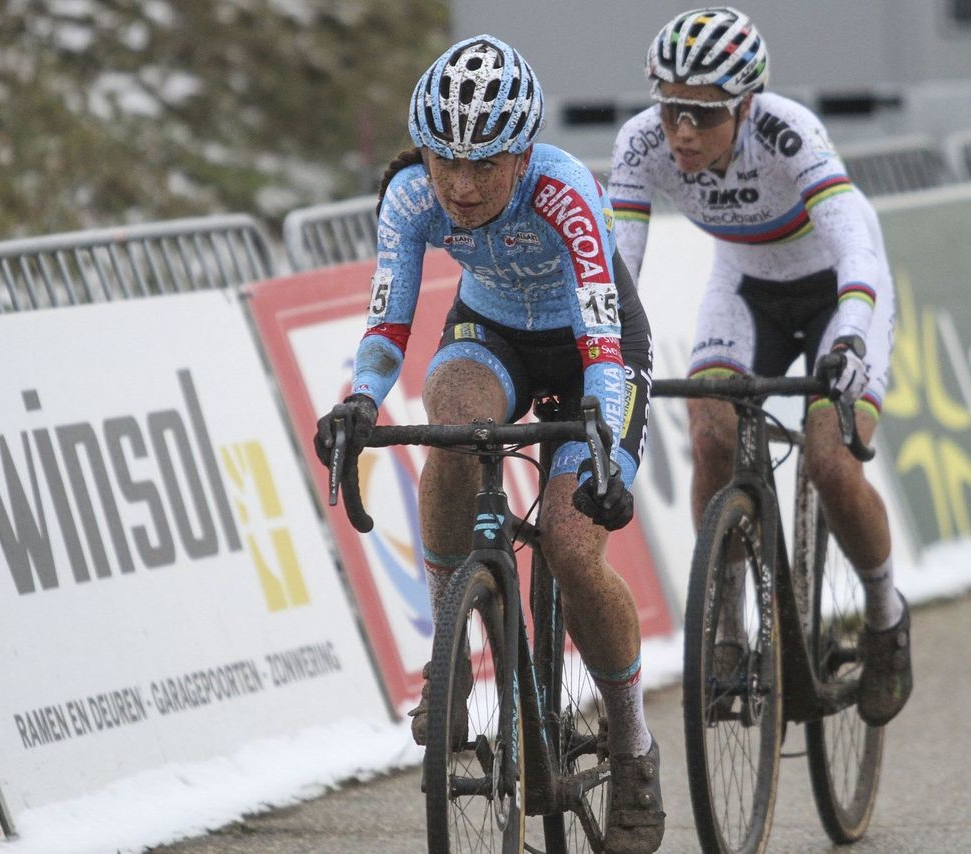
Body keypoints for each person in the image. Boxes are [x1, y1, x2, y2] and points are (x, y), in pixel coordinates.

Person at [313, 35, 664, 852]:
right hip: (492, 331)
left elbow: (606, 349)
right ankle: (452, 655)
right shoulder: (409, 195)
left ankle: (633, 744)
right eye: (446, 165)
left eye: (485, 167)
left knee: (577, 556)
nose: (462, 188)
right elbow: (387, 322)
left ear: (523, 155)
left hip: (591, 349)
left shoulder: (566, 190)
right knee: (450, 426)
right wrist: (360, 400)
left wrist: (604, 449)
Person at [608, 7, 911, 726]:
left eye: (704, 114)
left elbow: (855, 253)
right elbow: (619, 270)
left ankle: (884, 614)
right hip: (744, 287)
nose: (682, 130)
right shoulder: (641, 143)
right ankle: (730, 630)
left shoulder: (788, 132)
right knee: (710, 434)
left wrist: (851, 341)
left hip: (839, 290)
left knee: (832, 463)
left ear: (745, 106)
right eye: (672, 106)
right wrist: (601, 352)